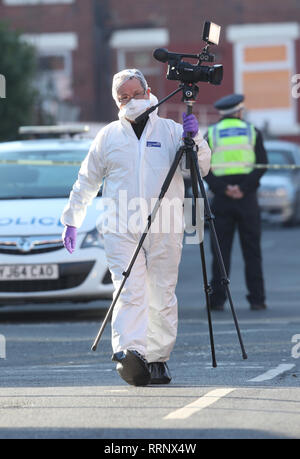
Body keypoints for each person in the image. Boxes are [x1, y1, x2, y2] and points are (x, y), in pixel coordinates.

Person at [61, 69, 211, 386]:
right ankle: (131, 355)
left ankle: (157, 359)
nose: (130, 101)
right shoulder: (109, 136)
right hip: (120, 224)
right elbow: (87, 180)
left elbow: (199, 168)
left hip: (166, 222)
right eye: (123, 98)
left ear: (149, 91)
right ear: (117, 101)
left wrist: (195, 140)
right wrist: (71, 219)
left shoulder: (171, 131)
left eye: (135, 94)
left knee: (161, 292)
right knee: (129, 290)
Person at [204, 93, 268, 311]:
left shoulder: (211, 133)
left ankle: (217, 300)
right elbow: (262, 165)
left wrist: (223, 189)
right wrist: (243, 189)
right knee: (252, 252)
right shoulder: (252, 131)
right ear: (239, 111)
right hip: (247, 199)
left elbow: (203, 167)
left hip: (221, 200)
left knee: (220, 252)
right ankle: (257, 300)